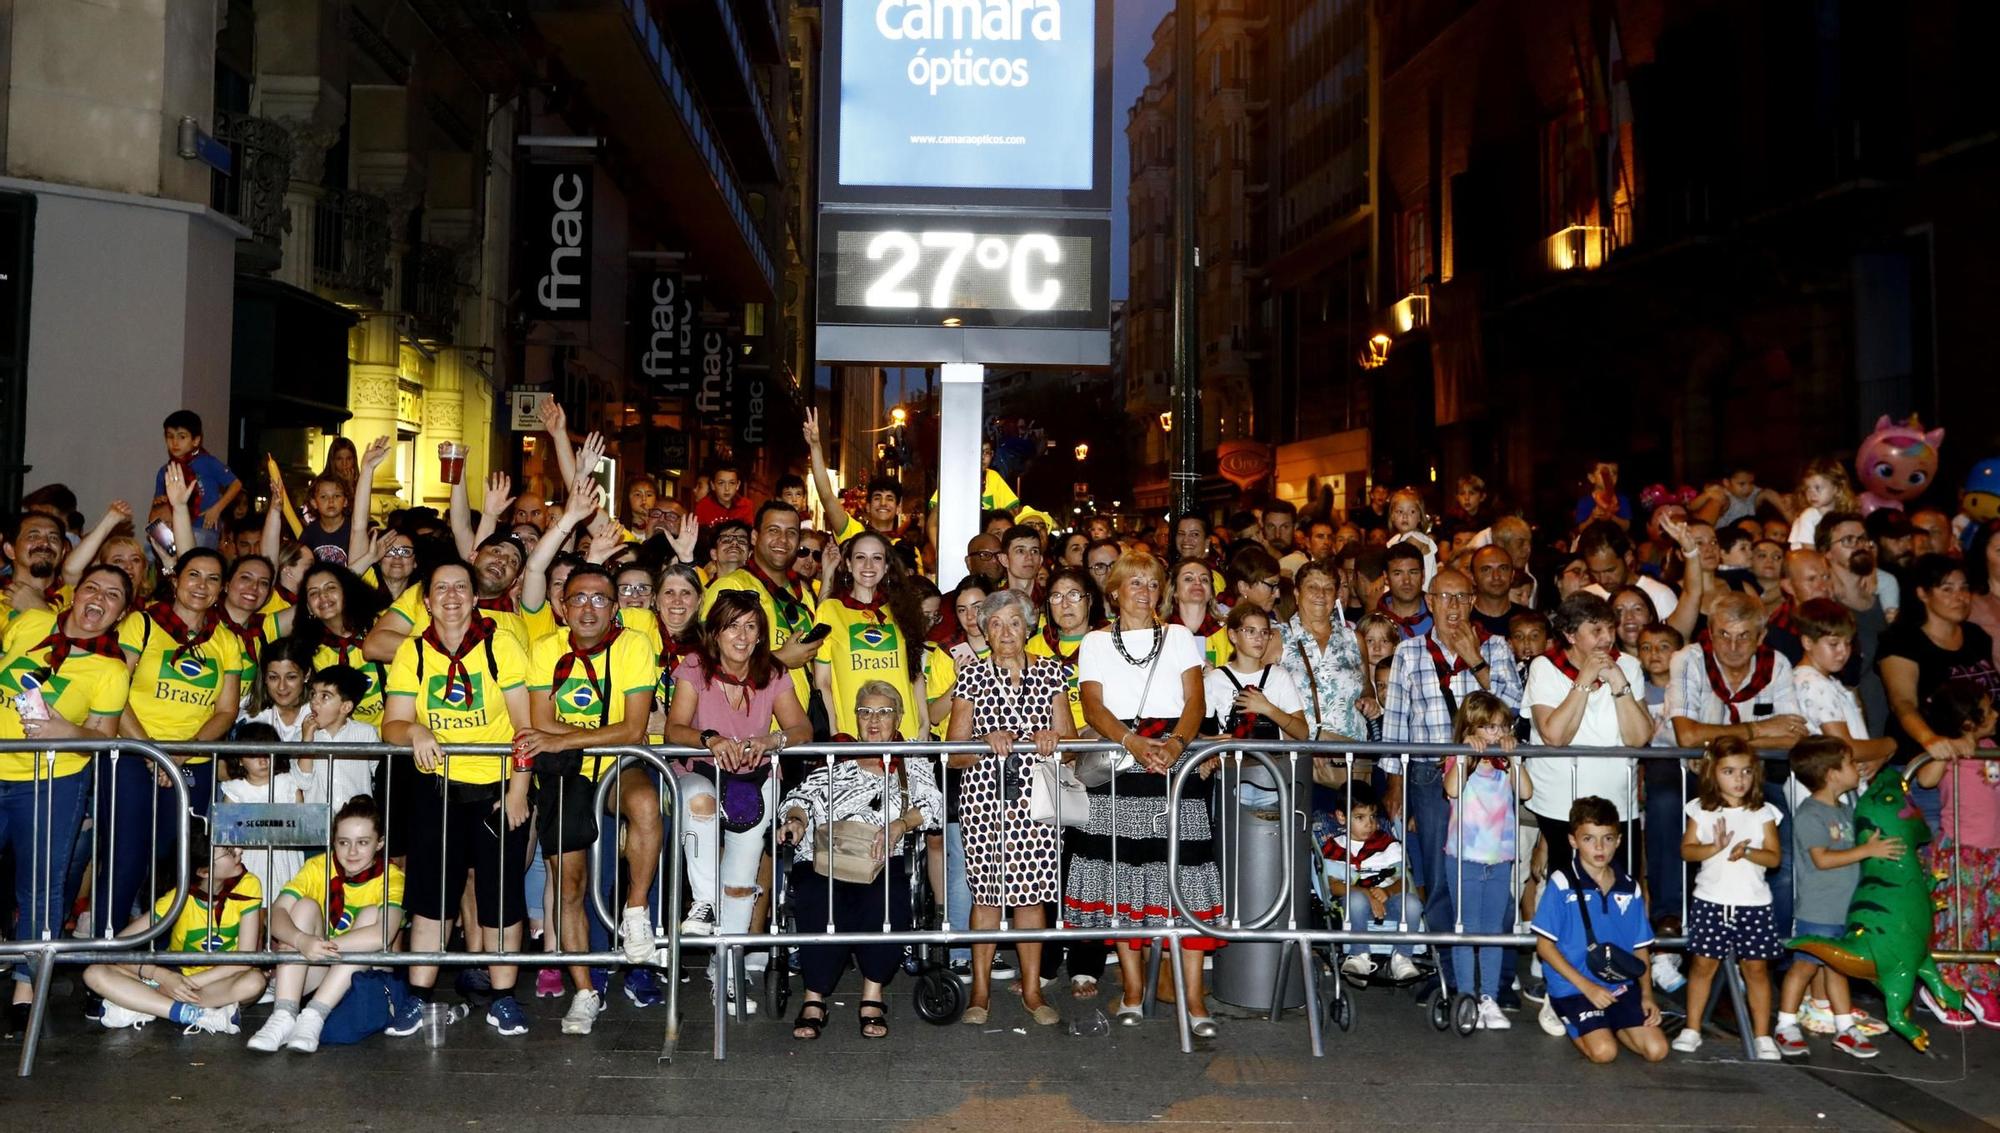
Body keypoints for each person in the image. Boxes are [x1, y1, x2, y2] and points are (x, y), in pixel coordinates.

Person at [380, 559, 536, 1038]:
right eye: (440, 588)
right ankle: (419, 996)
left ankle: (504, 998)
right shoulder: (413, 652)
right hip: (437, 791)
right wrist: (416, 729)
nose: (451, 596)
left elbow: (524, 728)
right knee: (431, 899)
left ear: (474, 597)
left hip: (495, 791)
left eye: (460, 588)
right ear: (426, 601)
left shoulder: (500, 644)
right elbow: (390, 724)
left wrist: (518, 791)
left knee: (500, 898)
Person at [1068, 550, 1221, 1035]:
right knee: (1121, 884)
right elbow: (1092, 708)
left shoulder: (1179, 637)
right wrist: (1132, 742)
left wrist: (1176, 745)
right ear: (1113, 592)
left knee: (1187, 882)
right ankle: (1132, 993)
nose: (1144, 592)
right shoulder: (1093, 641)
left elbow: (1194, 700)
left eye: (1153, 584)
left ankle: (1195, 1003)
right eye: (1134, 583)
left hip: (1174, 768)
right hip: (1118, 766)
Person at [516, 563, 664, 1035]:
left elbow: (634, 729)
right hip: (569, 774)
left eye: (600, 599)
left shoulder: (635, 645)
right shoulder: (545, 649)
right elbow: (539, 719)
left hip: (620, 766)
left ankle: (636, 911)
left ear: (615, 607)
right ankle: (584, 990)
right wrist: (566, 740)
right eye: (578, 598)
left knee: (645, 805)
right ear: (562, 605)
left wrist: (562, 738)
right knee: (569, 885)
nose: (588, 608)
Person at [663, 590, 813, 1008]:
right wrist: (709, 739)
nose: (742, 636)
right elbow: (674, 729)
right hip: (700, 772)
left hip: (755, 776)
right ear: (715, 631)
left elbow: (801, 728)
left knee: (743, 880)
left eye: (751, 626)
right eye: (733, 625)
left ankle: (726, 969)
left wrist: (772, 739)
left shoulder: (773, 671)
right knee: (699, 804)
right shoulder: (694, 667)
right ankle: (703, 905)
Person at [1, 563, 132, 1025]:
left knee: (40, 888)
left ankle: (25, 984)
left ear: (120, 614)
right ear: (74, 594)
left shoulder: (111, 669)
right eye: (92, 588)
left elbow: (105, 737)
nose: (98, 598)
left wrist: (65, 729)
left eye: (112, 595)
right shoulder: (31, 624)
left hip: (51, 783)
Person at [778, 682, 943, 1039]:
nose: (873, 720)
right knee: (818, 896)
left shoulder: (908, 758)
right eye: (865, 712)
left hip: (882, 856)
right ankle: (814, 996)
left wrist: (901, 824)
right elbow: (801, 796)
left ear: (898, 718)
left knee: (885, 898)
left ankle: (872, 995)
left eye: (884, 712)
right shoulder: (837, 754)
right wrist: (795, 820)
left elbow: (933, 805)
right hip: (827, 856)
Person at [946, 588, 1073, 1026]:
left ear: (1029, 627)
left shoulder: (1052, 673)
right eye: (995, 624)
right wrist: (982, 743)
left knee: (1033, 897)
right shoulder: (971, 677)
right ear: (984, 630)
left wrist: (1054, 741)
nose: (1005, 632)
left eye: (1014, 623)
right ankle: (979, 991)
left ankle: (1033, 990)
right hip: (984, 799)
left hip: (1036, 800)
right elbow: (953, 753)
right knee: (986, 896)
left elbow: (1072, 745)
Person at [101, 548, 243, 929]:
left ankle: (158, 955)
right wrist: (152, 752)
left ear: (222, 589)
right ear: (175, 579)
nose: (202, 585)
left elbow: (226, 711)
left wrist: (179, 754)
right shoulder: (141, 625)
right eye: (193, 575)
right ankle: (102, 954)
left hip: (191, 764)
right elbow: (116, 694)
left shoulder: (227, 640)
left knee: (174, 861)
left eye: (213, 578)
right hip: (132, 756)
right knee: (125, 858)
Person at [1383, 567, 1523, 937]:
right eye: (1445, 597)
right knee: (1440, 867)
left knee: (1490, 864)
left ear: (1474, 601)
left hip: (1488, 774)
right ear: (1430, 602)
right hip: (1431, 774)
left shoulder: (1495, 647)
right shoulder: (1409, 651)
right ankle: (1448, 962)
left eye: (1462, 597)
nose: (1454, 606)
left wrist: (1475, 660)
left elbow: (1514, 708)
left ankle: (1493, 958)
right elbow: (1396, 722)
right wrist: (1396, 785)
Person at [245, 794, 406, 1053]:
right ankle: (284, 1015)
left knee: (369, 915)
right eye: (343, 842)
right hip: (322, 969)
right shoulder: (318, 866)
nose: (352, 852)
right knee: (305, 906)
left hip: (366, 974)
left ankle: (313, 1016)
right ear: (333, 842)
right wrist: (301, 941)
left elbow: (382, 935)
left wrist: (319, 946)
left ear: (380, 843)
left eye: (363, 842)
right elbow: (277, 913)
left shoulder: (392, 877)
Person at [1772, 736, 1894, 1058]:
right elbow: (1822, 859)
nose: (1856, 768)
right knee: (1804, 967)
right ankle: (1785, 1023)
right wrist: (1866, 850)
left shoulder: (1845, 808)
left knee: (1837, 969)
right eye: (1850, 763)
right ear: (1832, 774)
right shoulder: (1811, 814)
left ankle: (1844, 1027)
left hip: (1843, 909)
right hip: (1819, 910)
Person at [1521, 593, 1650, 879]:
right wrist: (1583, 680)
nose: (1607, 638)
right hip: (1560, 805)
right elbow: (1555, 735)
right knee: (1569, 889)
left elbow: (1639, 738)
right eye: (1596, 630)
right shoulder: (1544, 667)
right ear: (1570, 634)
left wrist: (1618, 682)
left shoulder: (1628, 666)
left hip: (1617, 803)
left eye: (1609, 628)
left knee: (1618, 886)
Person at [1531, 796, 1668, 1064]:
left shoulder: (1630, 887)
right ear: (1573, 841)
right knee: (1605, 1053)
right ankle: (1564, 1011)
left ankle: (1610, 1021)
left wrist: (1647, 995)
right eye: (1588, 839)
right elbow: (1544, 947)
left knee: (1657, 1050)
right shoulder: (1561, 884)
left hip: (1618, 984)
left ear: (1618, 840)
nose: (1599, 847)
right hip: (1574, 986)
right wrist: (1588, 988)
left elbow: (1640, 947)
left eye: (1607, 838)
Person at [1672, 736, 1785, 1059]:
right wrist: (1715, 848)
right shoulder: (1702, 811)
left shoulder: (1763, 813)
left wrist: (1747, 851)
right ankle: (1691, 1027)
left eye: (1746, 772)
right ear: (1713, 773)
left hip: (1754, 903)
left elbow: (1774, 858)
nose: (1740, 779)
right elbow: (1687, 850)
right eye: (1730, 772)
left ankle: (1762, 1034)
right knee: (1703, 966)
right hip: (1711, 900)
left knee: (1757, 970)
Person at [85, 837, 266, 1034]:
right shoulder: (178, 897)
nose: (239, 851)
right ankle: (193, 1015)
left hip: (217, 981)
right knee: (94, 973)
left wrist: (186, 985)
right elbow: (118, 947)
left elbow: (244, 959)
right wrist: (163, 976)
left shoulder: (249, 884)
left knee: (254, 982)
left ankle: (146, 1003)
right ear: (204, 872)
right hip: (176, 977)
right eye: (229, 851)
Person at [1878, 555, 2000, 833]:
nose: (1960, 596)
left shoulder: (1976, 636)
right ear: (1922, 593)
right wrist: (1930, 740)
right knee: (1939, 856)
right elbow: (1903, 702)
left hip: (1979, 764)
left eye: (1964, 587)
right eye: (1947, 589)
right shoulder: (1903, 640)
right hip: (1928, 767)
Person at [1911, 680, 2000, 1026]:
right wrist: (1945, 748)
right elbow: (1928, 781)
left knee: (1986, 922)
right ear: (1967, 723)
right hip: (1961, 853)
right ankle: (1943, 986)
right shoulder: (1950, 750)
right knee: (1958, 924)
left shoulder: (1991, 748)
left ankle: (1981, 985)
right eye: (1988, 711)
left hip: (1992, 853)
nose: (1995, 714)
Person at [1442, 691, 1529, 1029]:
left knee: (1493, 931)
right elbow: (1451, 789)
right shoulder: (1461, 757)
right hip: (1463, 857)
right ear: (1471, 728)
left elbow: (1525, 793)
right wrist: (1465, 756)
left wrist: (1517, 758)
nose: (1496, 735)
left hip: (1499, 857)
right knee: (1466, 930)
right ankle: (1466, 996)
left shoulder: (1506, 762)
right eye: (1489, 728)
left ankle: (1489, 997)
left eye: (1501, 727)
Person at [814, 530, 930, 739]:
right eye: (860, 557)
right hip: (853, 735)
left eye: (877, 558)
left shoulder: (901, 609)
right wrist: (834, 729)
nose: (868, 566)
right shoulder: (829, 611)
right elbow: (822, 681)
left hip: (906, 732)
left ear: (886, 567)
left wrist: (924, 723)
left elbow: (915, 673)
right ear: (848, 564)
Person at [1321, 784, 1419, 981]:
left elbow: (1403, 882)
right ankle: (1360, 954)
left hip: (1388, 900)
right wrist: (1366, 894)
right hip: (1354, 903)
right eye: (1360, 817)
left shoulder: (1388, 845)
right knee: (1355, 899)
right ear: (1342, 817)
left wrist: (1388, 892)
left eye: (1373, 816)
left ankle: (1402, 957)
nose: (1369, 824)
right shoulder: (1334, 848)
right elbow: (1333, 885)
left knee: (1412, 903)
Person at [1790, 599, 1897, 779]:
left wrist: (1878, 756)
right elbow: (1845, 747)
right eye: (1833, 644)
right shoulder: (1815, 684)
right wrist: (1890, 744)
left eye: (1848, 643)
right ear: (1807, 642)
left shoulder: (1825, 680)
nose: (1843, 652)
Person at [1278, 559, 1366, 747]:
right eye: (1312, 587)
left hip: (1351, 755)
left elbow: (1367, 687)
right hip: (1297, 754)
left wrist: (1369, 699)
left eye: (1328, 588)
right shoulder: (1278, 638)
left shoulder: (1354, 639)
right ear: (1296, 593)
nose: (1321, 594)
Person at [153, 410, 241, 551]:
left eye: (182, 437)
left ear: (196, 440)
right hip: (174, 528)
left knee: (193, 553)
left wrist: (216, 509)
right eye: (170, 437)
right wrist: (161, 502)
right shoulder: (165, 471)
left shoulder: (207, 462)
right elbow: (157, 506)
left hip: (203, 526)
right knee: (152, 544)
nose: (175, 442)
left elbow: (236, 485)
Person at [1169, 557, 1232, 668]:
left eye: (1204, 580)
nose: (1198, 582)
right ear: (1174, 591)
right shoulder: (1162, 633)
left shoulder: (1230, 633)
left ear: (1211, 594)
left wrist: (1215, 677)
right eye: (1188, 579)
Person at [1789, 458, 1858, 551]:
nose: (1811, 493)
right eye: (1808, 488)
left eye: (1817, 488)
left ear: (1837, 489)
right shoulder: (1809, 516)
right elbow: (1809, 550)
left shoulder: (1840, 516)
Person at [1375, 544, 1431, 639]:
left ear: (1423, 575)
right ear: (1386, 577)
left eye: (1413, 572)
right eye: (1398, 574)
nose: (1406, 581)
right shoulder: (1373, 621)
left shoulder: (1439, 618)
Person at [1467, 545, 1521, 636]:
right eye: (1486, 570)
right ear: (1472, 577)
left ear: (1512, 575)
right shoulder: (1462, 622)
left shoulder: (1531, 622)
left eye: (1503, 568)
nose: (1496, 576)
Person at [692, 461, 755, 530]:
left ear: (738, 485)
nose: (727, 488)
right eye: (721, 483)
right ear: (713, 485)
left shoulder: (746, 506)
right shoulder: (703, 507)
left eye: (732, 483)